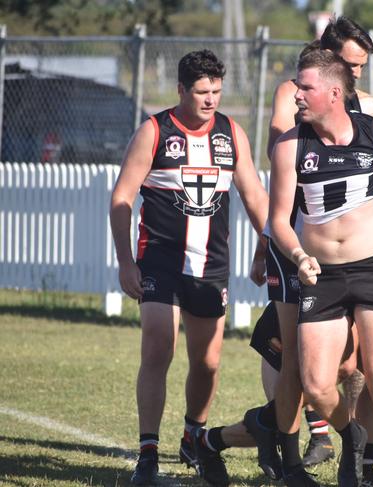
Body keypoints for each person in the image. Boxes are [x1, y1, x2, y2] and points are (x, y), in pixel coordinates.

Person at [269, 49, 373, 487]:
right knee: (316, 383)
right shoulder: (290, 146)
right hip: (320, 274)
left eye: (304, 88)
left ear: (332, 93)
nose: (296, 97)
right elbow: (277, 220)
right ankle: (352, 434)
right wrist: (298, 255)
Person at [109, 49, 268, 486]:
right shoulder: (154, 131)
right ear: (181, 89)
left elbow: (255, 194)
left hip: (210, 265)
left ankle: (192, 435)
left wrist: (266, 244)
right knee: (159, 347)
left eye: (217, 91)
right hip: (160, 259)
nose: (210, 99)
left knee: (209, 363)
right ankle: (147, 453)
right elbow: (122, 198)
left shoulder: (231, 133)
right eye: (201, 91)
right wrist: (126, 263)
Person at [190, 279, 373, 487]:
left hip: (318, 320)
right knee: (285, 417)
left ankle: (215, 440)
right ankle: (212, 440)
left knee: (293, 410)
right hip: (289, 325)